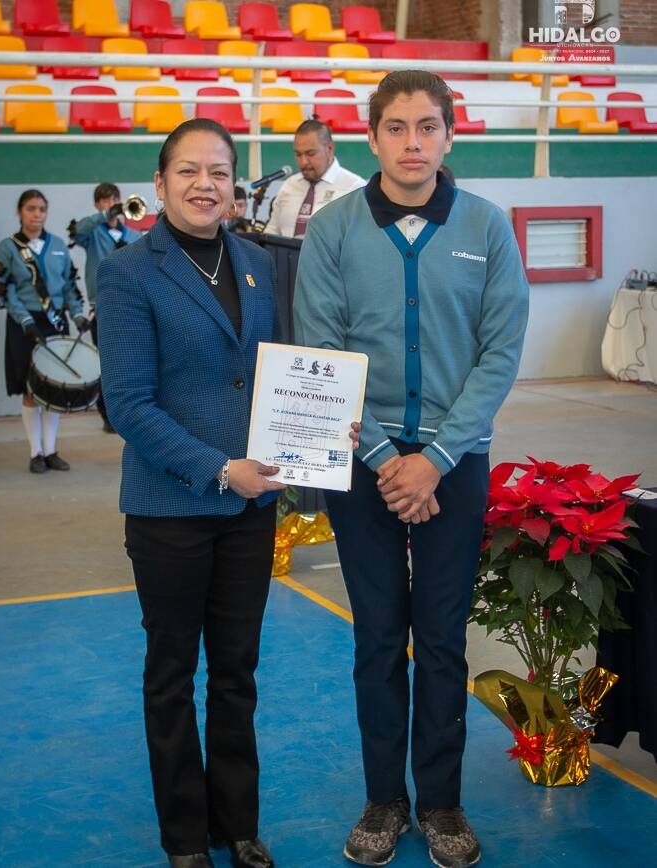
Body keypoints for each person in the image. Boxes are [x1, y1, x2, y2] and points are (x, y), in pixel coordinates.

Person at [96, 117, 359, 868]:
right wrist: (219, 467)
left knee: (237, 674)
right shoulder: (127, 272)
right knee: (172, 676)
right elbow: (130, 404)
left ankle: (237, 825)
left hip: (249, 512)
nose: (204, 184)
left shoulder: (253, 262)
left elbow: (278, 372)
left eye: (218, 171)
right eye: (188, 170)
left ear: (235, 185)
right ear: (160, 182)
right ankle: (184, 838)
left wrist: (321, 427)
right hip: (170, 510)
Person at [294, 71, 529, 868]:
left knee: (440, 640)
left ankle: (440, 802)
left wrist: (431, 460)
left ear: (449, 136)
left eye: (427, 127)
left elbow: (498, 354)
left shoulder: (488, 229)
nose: (412, 143)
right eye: (396, 128)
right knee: (375, 637)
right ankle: (382, 800)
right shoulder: (330, 231)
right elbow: (321, 348)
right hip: (361, 466)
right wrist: (386, 461)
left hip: (454, 464)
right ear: (372, 137)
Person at [0, 189, 90, 474]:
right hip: (25, 324)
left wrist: (79, 316)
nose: (37, 214)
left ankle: (51, 450)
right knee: (31, 390)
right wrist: (25, 321)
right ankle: (35, 453)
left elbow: (69, 287)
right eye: (31, 209)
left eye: (42, 209)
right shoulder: (7, 248)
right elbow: (4, 291)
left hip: (54, 321)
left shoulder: (58, 245)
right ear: (20, 213)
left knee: (53, 390)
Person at [68, 182, 141, 432]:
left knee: (132, 360)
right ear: (98, 204)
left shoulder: (132, 236)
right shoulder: (92, 233)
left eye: (114, 200)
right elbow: (76, 231)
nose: (112, 205)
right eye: (106, 201)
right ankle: (107, 413)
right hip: (100, 305)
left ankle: (130, 410)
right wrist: (103, 216)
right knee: (106, 361)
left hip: (130, 306)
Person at [264, 119, 365, 238]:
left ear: (330, 148)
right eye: (298, 154)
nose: (303, 162)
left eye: (310, 154)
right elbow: (271, 232)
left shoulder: (354, 188)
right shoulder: (289, 185)